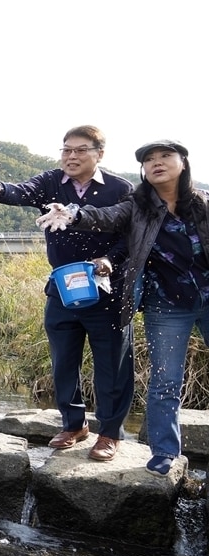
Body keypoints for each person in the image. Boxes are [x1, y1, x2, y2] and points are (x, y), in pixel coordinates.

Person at [36, 139, 208, 477]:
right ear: (143, 170)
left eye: (165, 156)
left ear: (183, 163)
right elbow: (106, 217)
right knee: (164, 381)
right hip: (166, 305)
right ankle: (164, 452)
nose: (157, 162)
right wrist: (74, 214)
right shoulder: (138, 206)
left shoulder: (203, 204)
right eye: (149, 159)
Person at [0, 126, 133, 461]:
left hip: (107, 291)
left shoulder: (121, 189)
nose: (71, 157)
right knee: (64, 361)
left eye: (80, 150)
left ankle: (109, 434)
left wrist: (109, 259)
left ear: (99, 154)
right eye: (66, 150)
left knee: (112, 365)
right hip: (62, 288)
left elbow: (129, 238)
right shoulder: (51, 181)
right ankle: (74, 424)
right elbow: (23, 191)